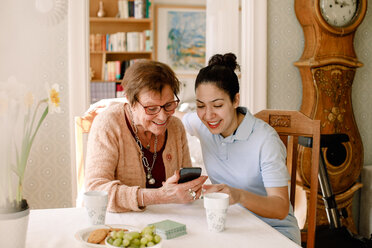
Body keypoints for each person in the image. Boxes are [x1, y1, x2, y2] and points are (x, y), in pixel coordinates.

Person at [176, 53, 301, 244]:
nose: (208, 115)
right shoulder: (202, 123)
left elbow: (281, 207)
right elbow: (172, 117)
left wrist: (238, 195)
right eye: (200, 105)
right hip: (233, 226)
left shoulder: (265, 140)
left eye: (217, 105)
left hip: (274, 232)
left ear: (235, 100)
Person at [85, 60, 208, 213]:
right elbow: (95, 189)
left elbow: (186, 181)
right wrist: (159, 196)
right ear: (131, 101)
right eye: (151, 108)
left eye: (169, 105)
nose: (163, 117)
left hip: (170, 220)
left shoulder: (176, 127)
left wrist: (193, 189)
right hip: (121, 224)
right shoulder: (108, 124)